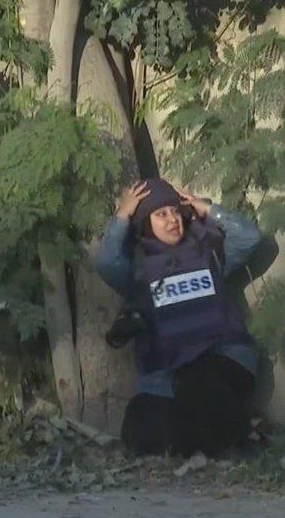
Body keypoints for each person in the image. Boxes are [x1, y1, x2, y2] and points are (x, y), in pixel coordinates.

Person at [94, 178, 263, 458]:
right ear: (145, 224)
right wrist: (123, 215)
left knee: (197, 382)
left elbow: (249, 238)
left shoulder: (208, 251)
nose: (172, 220)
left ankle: (242, 440)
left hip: (224, 361)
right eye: (161, 215)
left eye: (175, 211)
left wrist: (206, 208)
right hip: (168, 375)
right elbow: (106, 263)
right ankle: (210, 444)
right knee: (140, 429)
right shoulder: (139, 270)